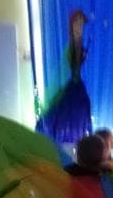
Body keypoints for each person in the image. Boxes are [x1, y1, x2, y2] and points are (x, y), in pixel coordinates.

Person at [36, 10, 93, 145]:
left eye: (81, 24)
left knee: (75, 119)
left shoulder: (76, 45)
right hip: (71, 89)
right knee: (66, 118)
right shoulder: (73, 46)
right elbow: (71, 63)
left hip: (75, 87)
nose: (79, 28)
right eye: (77, 24)